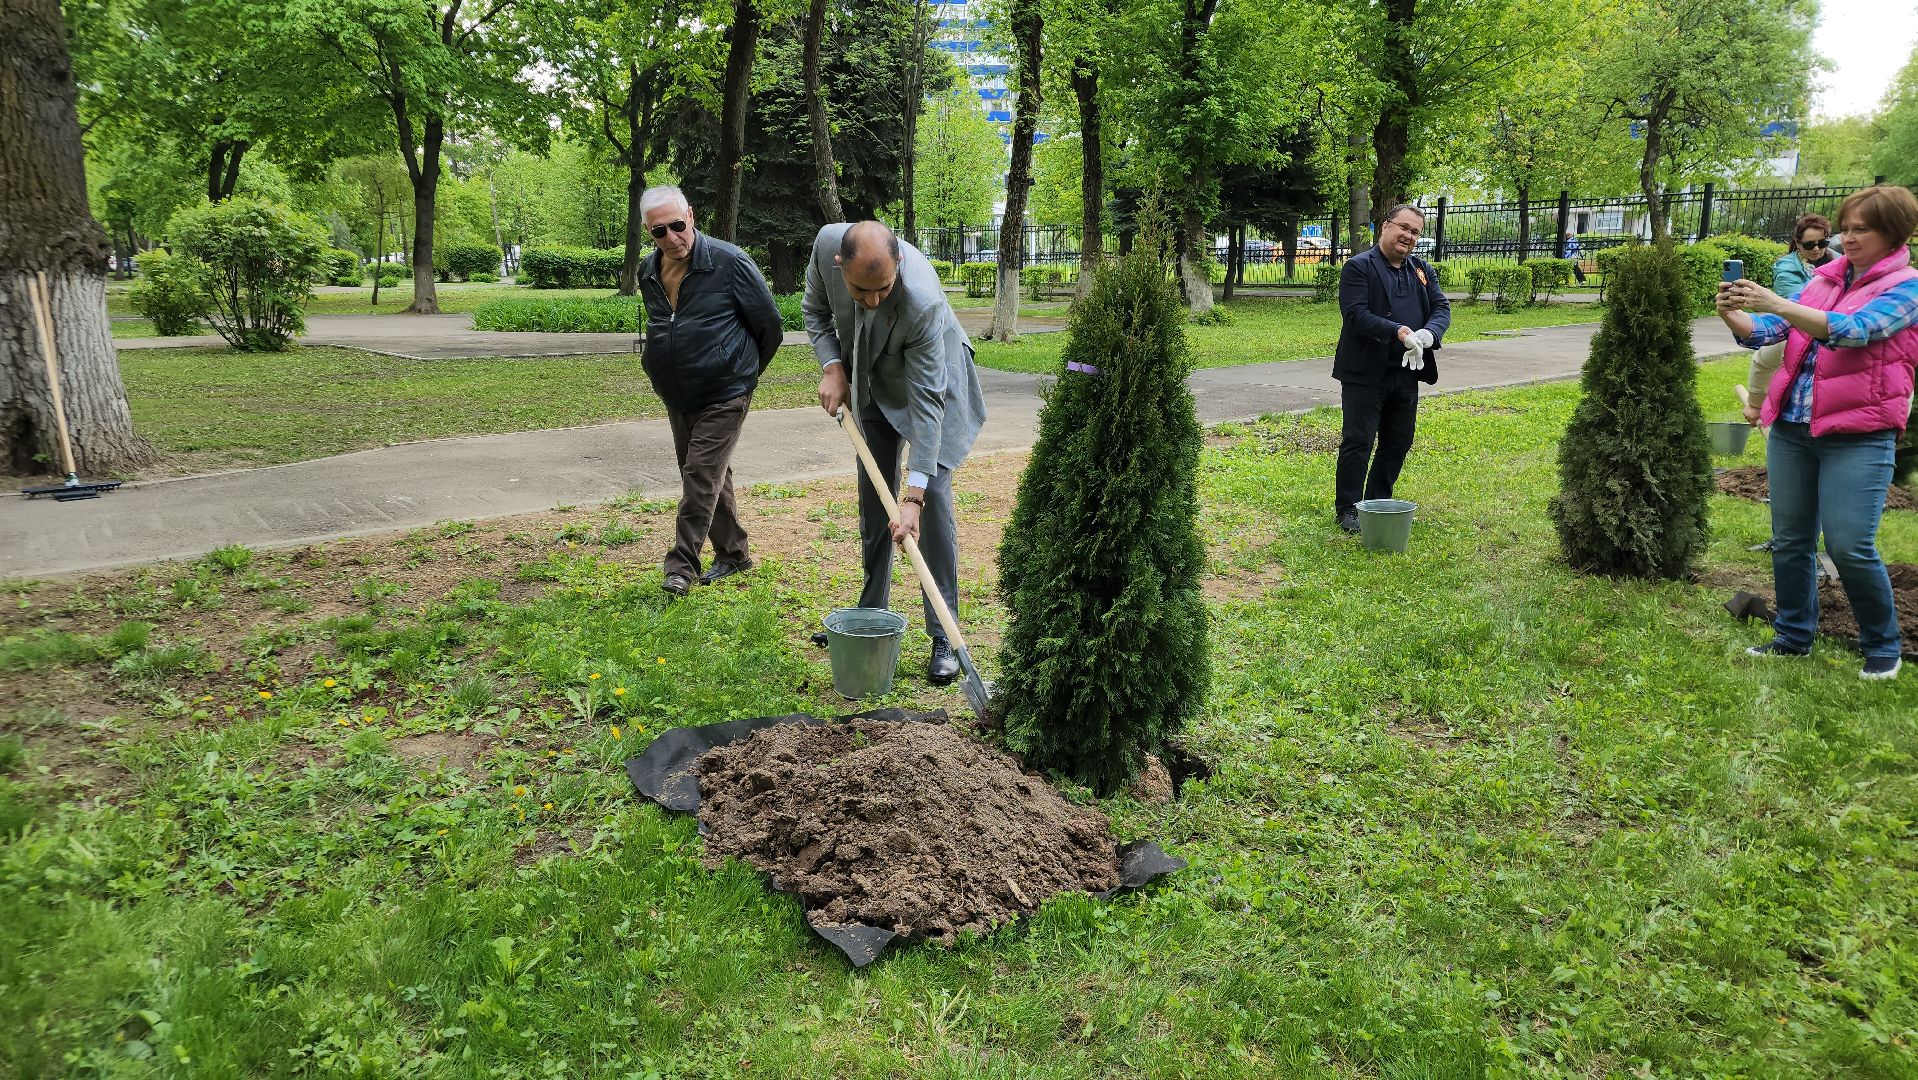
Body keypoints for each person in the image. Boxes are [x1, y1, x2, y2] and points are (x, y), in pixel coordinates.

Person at [1718, 184, 1918, 680]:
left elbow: (1854, 331)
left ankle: (1882, 645)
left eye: (1860, 230)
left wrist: (1778, 303)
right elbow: (1771, 333)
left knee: (1850, 544)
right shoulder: (1824, 281)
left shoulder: (1907, 287)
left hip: (1858, 434)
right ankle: (1793, 636)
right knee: (1790, 539)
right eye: (1845, 228)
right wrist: (1735, 315)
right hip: (1792, 428)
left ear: (1895, 233)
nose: (1847, 239)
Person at [803, 220, 987, 685]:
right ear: (840, 264)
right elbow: (815, 311)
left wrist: (915, 495)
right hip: (869, 379)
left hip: (932, 385)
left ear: (899, 265)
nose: (872, 301)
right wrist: (833, 366)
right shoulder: (827, 245)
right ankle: (871, 612)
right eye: (861, 291)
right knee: (874, 496)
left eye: (883, 289)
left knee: (933, 505)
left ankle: (944, 634)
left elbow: (928, 406)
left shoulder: (922, 301)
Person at [635, 185, 785, 597]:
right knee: (707, 472)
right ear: (650, 232)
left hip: (726, 390)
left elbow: (770, 325)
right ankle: (734, 553)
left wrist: (740, 372)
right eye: (659, 231)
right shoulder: (649, 271)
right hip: (678, 393)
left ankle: (681, 565)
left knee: (700, 474)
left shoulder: (729, 262)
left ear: (692, 216)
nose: (672, 238)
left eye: (678, 226)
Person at [1331, 203, 1452, 533]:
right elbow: (1355, 314)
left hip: (1406, 370)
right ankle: (1349, 508)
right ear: (1384, 227)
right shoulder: (1359, 267)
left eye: (1415, 232)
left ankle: (1378, 501)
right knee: (1359, 440)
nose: (1408, 236)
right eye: (1403, 227)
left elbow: (1441, 307)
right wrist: (1397, 331)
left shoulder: (1421, 269)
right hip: (1365, 373)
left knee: (1398, 441)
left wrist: (1428, 334)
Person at [1742, 213, 1839, 425]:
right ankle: (1755, 405)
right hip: (1796, 327)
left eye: (1822, 242)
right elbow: (1799, 304)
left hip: (1831, 330)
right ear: (1797, 243)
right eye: (1809, 244)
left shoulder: (1838, 263)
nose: (1816, 249)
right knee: (1764, 357)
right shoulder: (1786, 268)